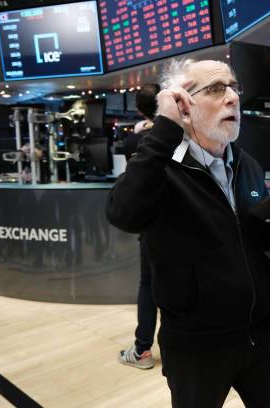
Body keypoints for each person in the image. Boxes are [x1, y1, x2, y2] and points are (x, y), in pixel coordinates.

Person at [107, 59, 270, 407]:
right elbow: (124, 213)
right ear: (183, 106)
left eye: (234, 87)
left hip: (261, 334)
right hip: (197, 345)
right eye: (215, 89)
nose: (232, 98)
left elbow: (254, 238)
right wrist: (164, 128)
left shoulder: (245, 163)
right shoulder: (162, 166)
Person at [118, 84, 161, 370]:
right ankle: (174, 355)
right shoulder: (183, 137)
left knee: (149, 286)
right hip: (182, 222)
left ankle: (142, 350)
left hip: (151, 223)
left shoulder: (132, 143)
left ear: (139, 111)